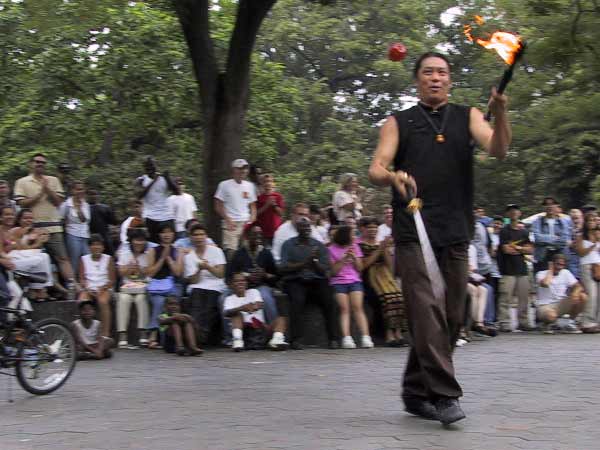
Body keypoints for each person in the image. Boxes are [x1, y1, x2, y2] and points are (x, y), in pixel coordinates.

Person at [368, 51, 511, 424]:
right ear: (417, 80)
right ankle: (445, 395)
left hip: (455, 229)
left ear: (450, 80)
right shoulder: (398, 122)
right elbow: (376, 167)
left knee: (451, 314)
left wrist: (502, 111)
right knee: (426, 309)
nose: (435, 78)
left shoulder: (469, 116)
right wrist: (393, 177)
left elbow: (498, 149)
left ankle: (415, 391)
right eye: (428, 72)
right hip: (414, 230)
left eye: (442, 72)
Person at [13, 153, 75, 286]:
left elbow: (59, 202)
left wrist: (47, 188)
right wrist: (40, 193)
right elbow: (22, 203)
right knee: (34, 258)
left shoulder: (53, 180)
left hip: (53, 227)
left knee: (62, 258)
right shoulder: (22, 182)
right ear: (31, 164)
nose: (40, 164)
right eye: (37, 161)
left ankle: (72, 286)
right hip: (32, 228)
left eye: (43, 162)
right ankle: (38, 291)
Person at [279, 218, 339, 350]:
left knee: (329, 299)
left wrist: (315, 263)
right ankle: (296, 339)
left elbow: (326, 271)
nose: (306, 230)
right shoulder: (288, 245)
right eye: (303, 228)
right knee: (297, 300)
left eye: (308, 228)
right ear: (297, 229)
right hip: (296, 279)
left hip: (316, 280)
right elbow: (283, 267)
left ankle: (333, 338)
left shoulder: (318, 245)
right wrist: (304, 263)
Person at [226, 224, 288, 348]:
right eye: (255, 234)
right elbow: (228, 277)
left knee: (265, 296)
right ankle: (230, 337)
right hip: (241, 287)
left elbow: (276, 276)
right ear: (247, 236)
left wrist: (264, 274)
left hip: (261, 286)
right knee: (223, 298)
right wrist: (245, 276)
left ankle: (274, 333)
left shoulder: (266, 253)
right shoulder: (239, 254)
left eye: (260, 234)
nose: (258, 237)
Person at [359, 216, 407, 346]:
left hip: (385, 275)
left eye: (375, 227)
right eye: (369, 227)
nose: (373, 230)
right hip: (369, 276)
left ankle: (398, 333)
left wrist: (385, 250)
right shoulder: (359, 244)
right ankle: (388, 335)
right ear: (363, 229)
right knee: (385, 298)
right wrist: (379, 249)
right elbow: (364, 265)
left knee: (397, 296)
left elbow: (391, 266)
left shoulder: (381, 243)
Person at [328, 225, 373, 349]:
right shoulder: (331, 249)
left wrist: (354, 257)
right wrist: (343, 259)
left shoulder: (355, 247)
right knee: (344, 308)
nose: (355, 237)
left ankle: (365, 336)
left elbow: (360, 269)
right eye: (353, 234)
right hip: (338, 282)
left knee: (357, 307)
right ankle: (347, 337)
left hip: (354, 281)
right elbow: (333, 272)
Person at [183, 223, 227, 345]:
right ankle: (196, 333)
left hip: (215, 286)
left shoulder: (216, 251)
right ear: (191, 237)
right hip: (197, 287)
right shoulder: (189, 257)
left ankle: (201, 335)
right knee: (196, 306)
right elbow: (193, 281)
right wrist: (199, 269)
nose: (199, 237)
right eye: (196, 235)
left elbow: (220, 274)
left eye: (201, 234)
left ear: (206, 236)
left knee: (208, 306)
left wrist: (208, 267)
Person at [0, 206, 54, 301]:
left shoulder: (14, 231)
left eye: (12, 214)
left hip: (16, 258)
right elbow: (2, 252)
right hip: (7, 264)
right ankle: (39, 289)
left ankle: (38, 288)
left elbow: (21, 247)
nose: (10, 217)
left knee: (44, 256)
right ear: (1, 217)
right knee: (40, 257)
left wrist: (38, 240)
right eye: (7, 214)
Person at [224, 272, 288, 351]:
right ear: (232, 284)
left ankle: (276, 341)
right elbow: (226, 313)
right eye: (237, 281)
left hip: (260, 329)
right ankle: (237, 342)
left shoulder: (253, 292)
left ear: (246, 283)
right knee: (236, 314)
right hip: (245, 332)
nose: (241, 283)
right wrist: (241, 308)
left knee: (280, 319)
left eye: (243, 280)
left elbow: (259, 304)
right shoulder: (229, 299)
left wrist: (255, 306)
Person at [146, 222, 184, 349]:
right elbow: (150, 273)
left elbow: (178, 272)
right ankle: (153, 334)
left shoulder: (178, 250)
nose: (166, 235)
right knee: (159, 302)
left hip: (173, 284)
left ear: (173, 234)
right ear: (159, 234)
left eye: (169, 232)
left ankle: (172, 335)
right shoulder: (153, 250)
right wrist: (162, 258)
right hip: (156, 285)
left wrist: (169, 259)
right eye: (163, 232)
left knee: (173, 302)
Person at [497, 205, 534, 332]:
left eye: (516, 210)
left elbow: (530, 249)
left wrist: (518, 249)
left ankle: (523, 321)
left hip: (522, 268)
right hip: (508, 269)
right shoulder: (504, 231)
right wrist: (522, 249)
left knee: (524, 297)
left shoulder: (524, 232)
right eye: (511, 211)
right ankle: (504, 322)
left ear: (520, 213)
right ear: (508, 214)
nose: (514, 213)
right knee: (505, 297)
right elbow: (506, 249)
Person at [214, 159, 257, 256]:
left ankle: (245, 271)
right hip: (230, 224)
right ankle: (231, 271)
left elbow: (253, 207)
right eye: (240, 168)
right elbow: (218, 205)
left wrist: (251, 221)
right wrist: (227, 219)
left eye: (245, 168)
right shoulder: (224, 185)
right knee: (231, 252)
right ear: (234, 169)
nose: (243, 171)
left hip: (246, 224)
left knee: (247, 252)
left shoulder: (250, 186)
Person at [116, 228, 151, 348]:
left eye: (142, 240)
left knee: (141, 299)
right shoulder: (125, 254)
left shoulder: (148, 254)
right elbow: (120, 272)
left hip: (142, 285)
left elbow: (149, 272)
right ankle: (122, 334)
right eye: (137, 240)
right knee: (123, 299)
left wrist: (140, 269)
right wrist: (129, 267)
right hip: (127, 286)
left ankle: (143, 333)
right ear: (131, 241)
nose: (139, 243)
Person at [536, 254, 587, 334]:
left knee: (582, 296)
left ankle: (570, 323)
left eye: (562, 265)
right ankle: (547, 324)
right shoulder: (541, 274)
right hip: (545, 306)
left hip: (560, 304)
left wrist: (575, 293)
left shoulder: (565, 272)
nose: (560, 267)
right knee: (551, 316)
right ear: (552, 264)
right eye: (558, 264)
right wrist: (551, 270)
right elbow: (545, 283)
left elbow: (579, 286)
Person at [78, 234, 116, 338]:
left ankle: (105, 334)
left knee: (102, 301)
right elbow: (81, 278)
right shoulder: (83, 259)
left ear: (103, 247)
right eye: (93, 245)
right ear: (89, 247)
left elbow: (112, 280)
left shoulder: (108, 259)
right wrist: (87, 288)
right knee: (82, 301)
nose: (96, 247)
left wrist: (102, 288)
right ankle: (83, 334)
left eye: (99, 245)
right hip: (89, 288)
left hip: (105, 288)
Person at [136, 157, 179, 243]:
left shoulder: (164, 178)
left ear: (156, 166)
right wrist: (154, 181)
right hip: (150, 217)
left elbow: (177, 192)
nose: (150, 168)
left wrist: (168, 179)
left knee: (170, 243)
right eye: (147, 166)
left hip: (166, 216)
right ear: (144, 168)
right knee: (152, 244)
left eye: (152, 165)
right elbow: (139, 195)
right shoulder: (141, 180)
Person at [60, 180, 91, 276]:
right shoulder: (66, 204)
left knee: (87, 260)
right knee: (74, 261)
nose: (80, 192)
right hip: (72, 235)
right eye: (78, 189)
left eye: (82, 189)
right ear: (72, 190)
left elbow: (85, 220)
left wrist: (79, 208)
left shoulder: (85, 204)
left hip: (85, 235)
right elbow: (60, 218)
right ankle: (71, 285)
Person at [532, 197, 570, 273]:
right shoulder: (538, 221)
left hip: (560, 255)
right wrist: (555, 238)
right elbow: (538, 238)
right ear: (544, 207)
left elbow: (564, 240)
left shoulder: (564, 221)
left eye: (552, 204)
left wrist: (545, 240)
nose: (549, 206)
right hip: (543, 256)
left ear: (557, 206)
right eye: (547, 204)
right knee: (543, 281)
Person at [576, 213, 600, 332]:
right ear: (585, 222)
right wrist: (592, 246)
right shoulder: (581, 236)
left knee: (599, 295)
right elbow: (580, 252)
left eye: (593, 220)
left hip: (598, 266)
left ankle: (596, 322)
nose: (591, 222)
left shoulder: (598, 234)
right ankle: (586, 322)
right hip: (586, 265)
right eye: (589, 220)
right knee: (592, 294)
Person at [256, 174, 284, 246]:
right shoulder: (259, 198)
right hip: (263, 233)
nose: (268, 183)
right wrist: (266, 205)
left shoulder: (278, 196)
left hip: (276, 232)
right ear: (262, 184)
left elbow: (281, 213)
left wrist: (274, 205)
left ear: (273, 183)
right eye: (265, 181)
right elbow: (255, 214)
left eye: (270, 181)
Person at [88, 189, 119, 255]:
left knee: (110, 256)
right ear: (88, 196)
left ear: (98, 196)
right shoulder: (86, 208)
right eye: (91, 194)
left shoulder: (105, 208)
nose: (93, 196)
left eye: (95, 194)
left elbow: (113, 221)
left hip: (105, 236)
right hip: (92, 237)